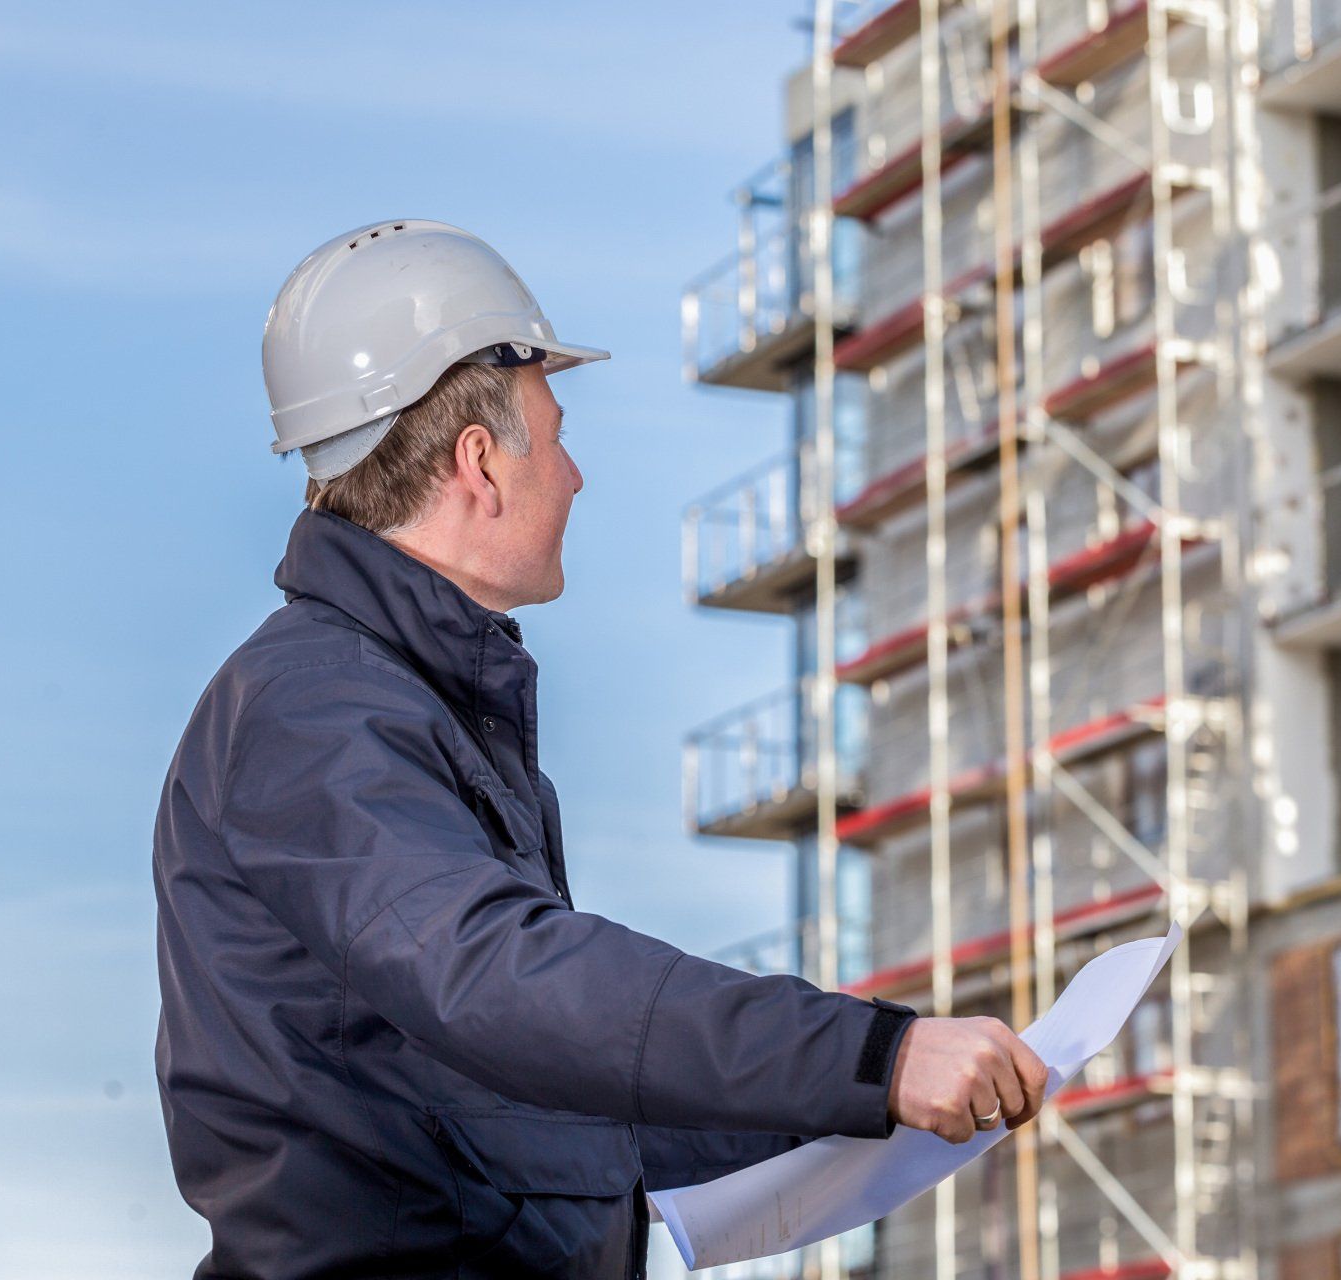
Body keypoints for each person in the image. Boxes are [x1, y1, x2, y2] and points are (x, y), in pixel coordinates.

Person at [152, 220, 1049, 1280]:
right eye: (556, 430)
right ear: (477, 461)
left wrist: (869, 1103)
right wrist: (870, 1057)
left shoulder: (408, 709)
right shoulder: (314, 709)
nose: (576, 475)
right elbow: (506, 981)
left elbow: (545, 1100)